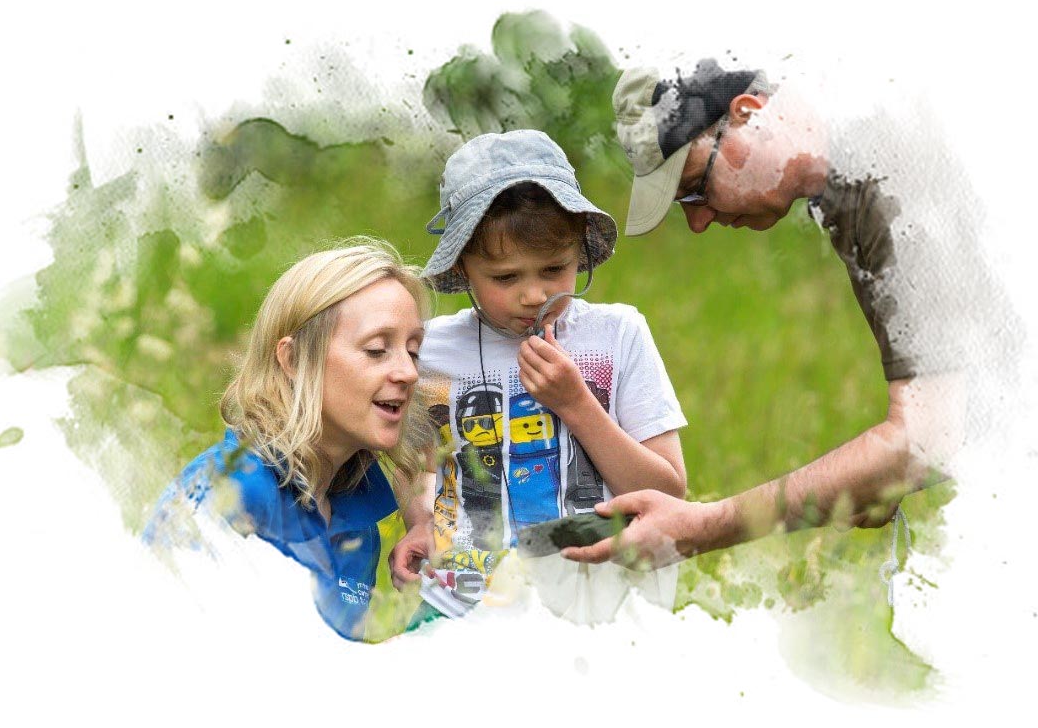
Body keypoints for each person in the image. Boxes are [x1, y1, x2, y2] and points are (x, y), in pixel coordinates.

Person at [563, 59, 1016, 570]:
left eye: (695, 187)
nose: (697, 221)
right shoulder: (841, 187)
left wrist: (704, 525)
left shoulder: (898, 176)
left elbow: (931, 435)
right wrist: (866, 479)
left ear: (750, 114)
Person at [390, 129, 688, 620]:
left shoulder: (617, 335)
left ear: (580, 252)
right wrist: (419, 522)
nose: (533, 295)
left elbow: (668, 490)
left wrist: (575, 403)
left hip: (595, 601)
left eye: (554, 269)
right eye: (506, 278)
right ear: (464, 267)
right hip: (459, 603)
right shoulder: (430, 349)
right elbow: (417, 462)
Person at [143, 239, 434, 641]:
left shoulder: (360, 523)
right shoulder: (227, 493)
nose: (408, 372)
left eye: (413, 351)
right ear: (293, 360)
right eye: (376, 349)